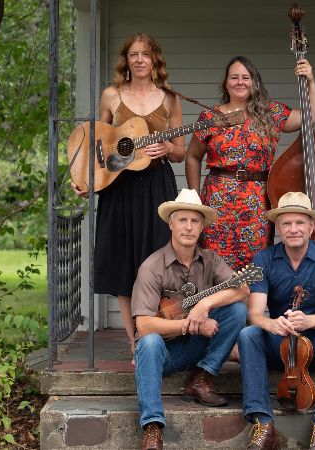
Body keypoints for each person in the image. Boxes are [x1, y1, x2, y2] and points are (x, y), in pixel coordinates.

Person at [72, 33, 184, 358]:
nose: (139, 60)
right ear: (126, 59)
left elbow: (180, 152)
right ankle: (135, 341)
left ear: (154, 59)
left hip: (157, 185)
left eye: (145, 54)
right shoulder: (112, 95)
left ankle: (155, 334)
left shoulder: (169, 98)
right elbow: (98, 142)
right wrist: (86, 180)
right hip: (119, 186)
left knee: (159, 259)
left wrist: (167, 147)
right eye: (133, 54)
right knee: (124, 261)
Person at [132, 188, 249, 450]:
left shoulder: (211, 260)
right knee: (149, 343)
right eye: (182, 220)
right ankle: (152, 427)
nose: (188, 227)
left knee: (237, 311)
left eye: (194, 221)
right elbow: (144, 325)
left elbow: (242, 289)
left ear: (202, 227)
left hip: (195, 348)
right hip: (163, 354)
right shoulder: (152, 267)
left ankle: (202, 378)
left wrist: (205, 304)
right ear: (171, 224)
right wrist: (191, 324)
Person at [238, 192, 315, 450]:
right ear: (278, 228)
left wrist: (309, 321)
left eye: (300, 222)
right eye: (287, 223)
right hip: (280, 344)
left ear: (311, 226)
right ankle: (263, 424)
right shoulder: (263, 259)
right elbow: (254, 314)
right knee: (248, 335)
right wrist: (271, 324)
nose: (293, 229)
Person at [185, 56, 315, 271]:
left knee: (255, 265)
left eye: (245, 77)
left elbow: (311, 116)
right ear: (226, 83)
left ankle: (251, 297)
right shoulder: (210, 117)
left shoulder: (270, 113)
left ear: (254, 82)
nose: (240, 82)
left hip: (257, 202)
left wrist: (310, 80)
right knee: (214, 263)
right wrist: (195, 199)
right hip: (217, 200)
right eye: (234, 77)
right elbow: (193, 156)